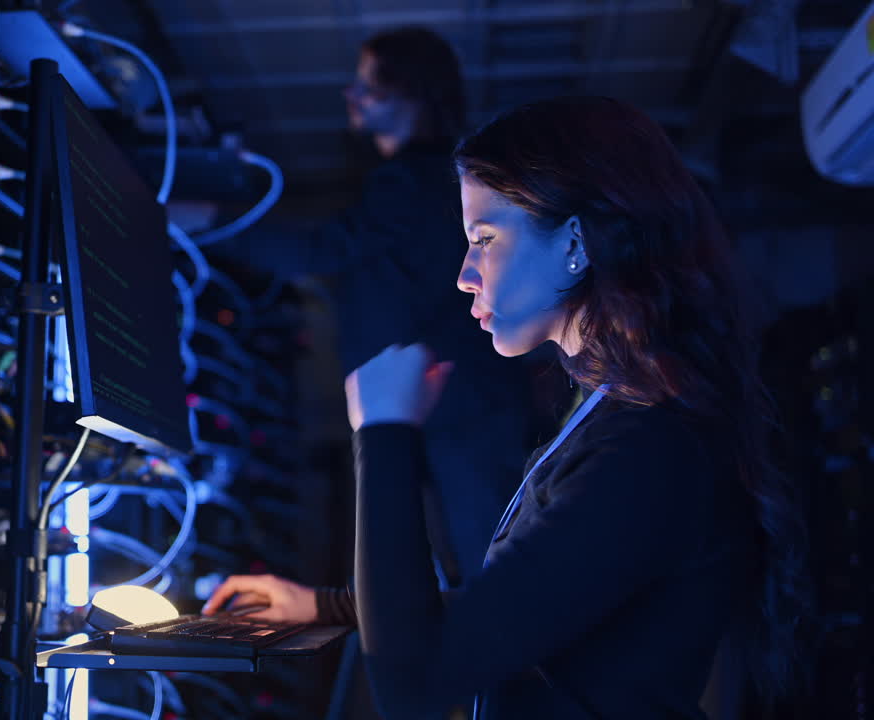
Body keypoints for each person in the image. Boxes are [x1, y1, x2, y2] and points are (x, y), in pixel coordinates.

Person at [206, 97, 811, 718]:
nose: (465, 274)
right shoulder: (618, 416)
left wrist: (385, 433)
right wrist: (326, 607)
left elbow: (411, 686)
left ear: (575, 241)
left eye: (484, 239)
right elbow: (520, 610)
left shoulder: (648, 450)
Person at [204, 26, 532, 602]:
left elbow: (323, 249)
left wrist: (208, 223)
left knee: (490, 577)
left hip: (461, 412)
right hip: (450, 409)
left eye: (370, 85)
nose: (350, 96)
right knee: (465, 570)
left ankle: (515, 688)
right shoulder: (414, 179)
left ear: (416, 94)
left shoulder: (420, 179)